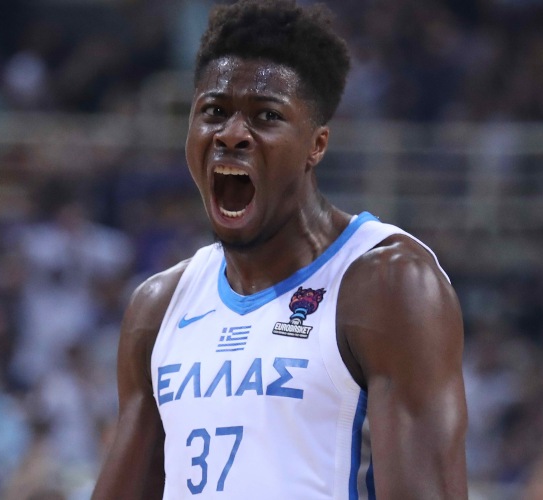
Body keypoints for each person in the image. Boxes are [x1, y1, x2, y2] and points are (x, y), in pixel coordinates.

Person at [92, 1, 467, 498]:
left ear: (317, 145)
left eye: (266, 116)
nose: (231, 134)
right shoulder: (158, 307)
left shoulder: (388, 284)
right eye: (214, 112)